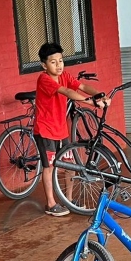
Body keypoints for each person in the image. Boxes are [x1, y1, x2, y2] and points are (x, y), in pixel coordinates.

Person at [33, 42, 104, 217]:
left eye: (60, 60)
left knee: (69, 165)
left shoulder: (64, 75)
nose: (58, 65)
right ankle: (50, 204)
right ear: (44, 65)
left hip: (61, 129)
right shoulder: (44, 79)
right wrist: (89, 101)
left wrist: (100, 95)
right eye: (53, 62)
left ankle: (69, 200)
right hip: (45, 130)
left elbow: (81, 86)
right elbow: (65, 91)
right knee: (49, 167)